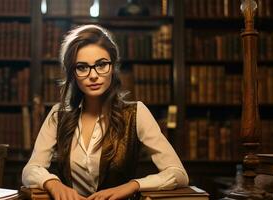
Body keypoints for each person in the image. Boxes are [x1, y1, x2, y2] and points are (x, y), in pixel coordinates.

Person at [22, 24, 188, 200]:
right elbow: (30, 170)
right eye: (82, 67)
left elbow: (178, 174)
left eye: (101, 64)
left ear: (113, 67)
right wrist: (52, 184)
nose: (93, 75)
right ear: (73, 74)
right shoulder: (58, 115)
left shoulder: (136, 113)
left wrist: (132, 186)